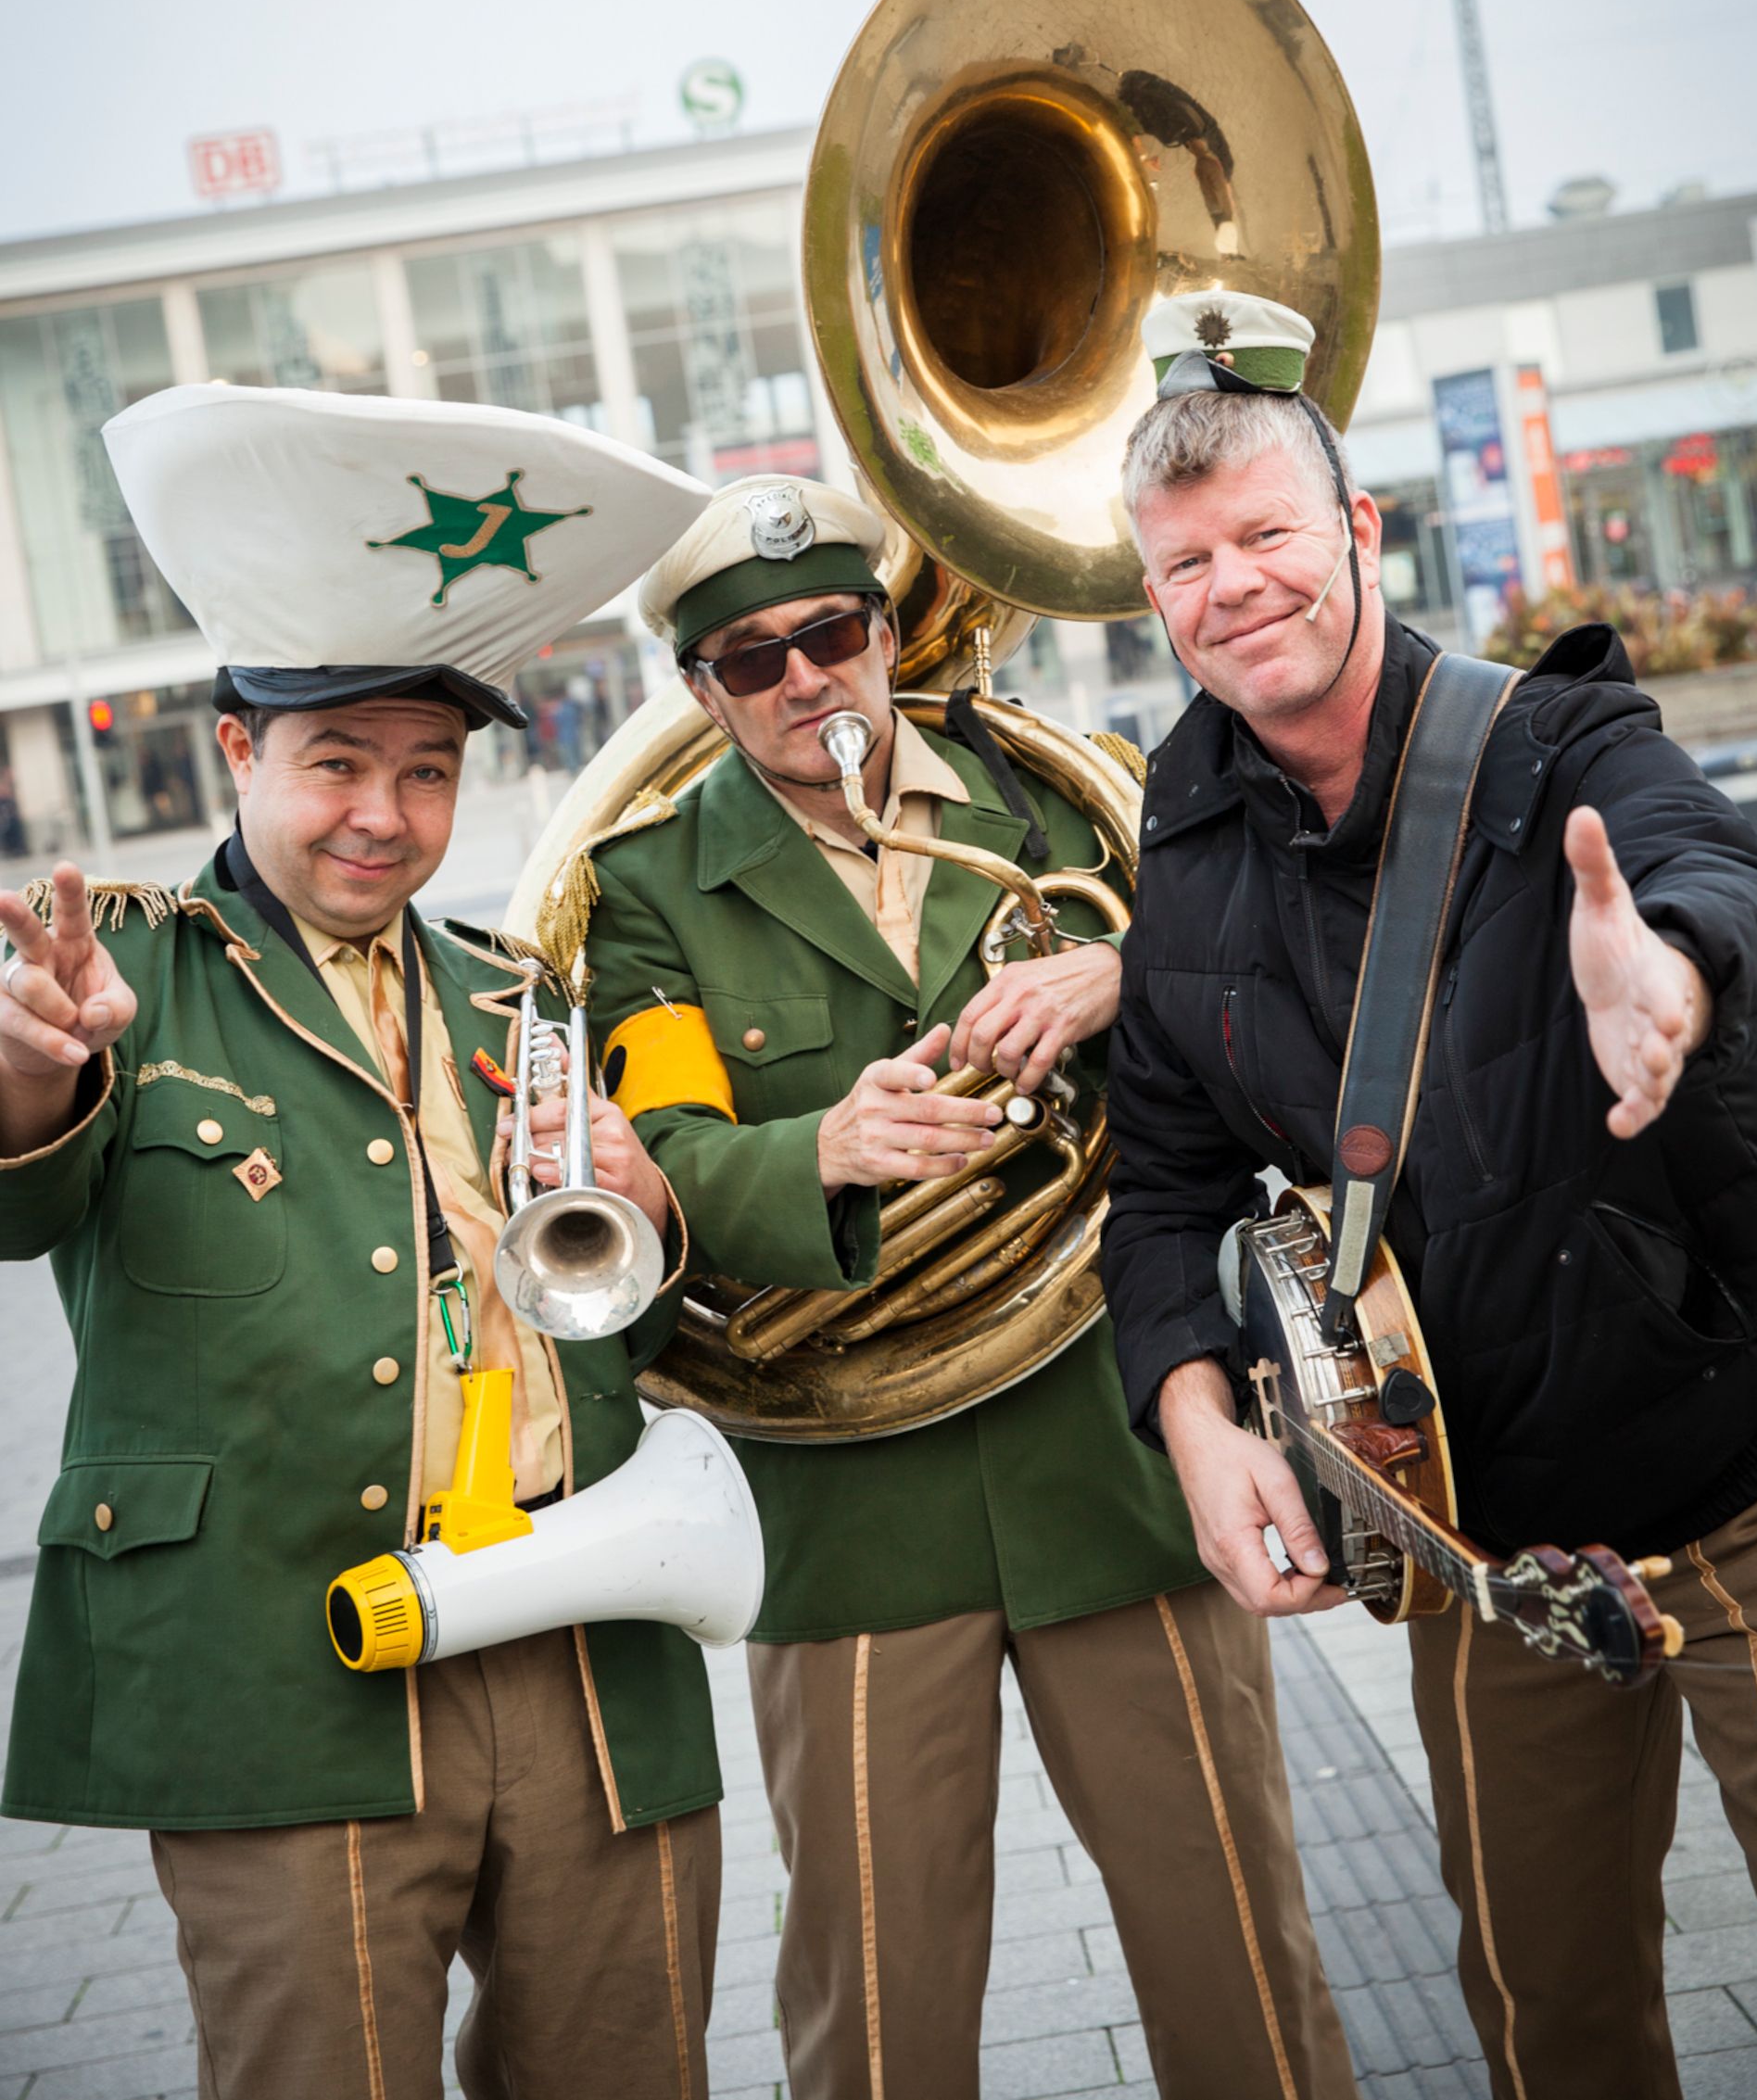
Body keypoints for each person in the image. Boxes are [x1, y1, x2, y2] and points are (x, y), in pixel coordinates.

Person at [579, 474, 1358, 2100]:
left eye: (832, 632)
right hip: (854, 1508)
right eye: (752, 659)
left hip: (1116, 1452)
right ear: (703, 692)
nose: (805, 678)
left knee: (1239, 1950)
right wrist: (821, 1148)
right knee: (877, 2008)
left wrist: (1125, 971)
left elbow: (1256, 991)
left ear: (884, 631)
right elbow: (656, 1156)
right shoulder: (646, 884)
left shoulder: (1057, 802)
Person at [0, 382, 723, 2100]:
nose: (382, 814)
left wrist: (649, 1201)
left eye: (426, 770)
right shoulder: (125, 974)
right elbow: (23, 1194)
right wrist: (30, 1072)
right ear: (237, 752)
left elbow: (622, 1309)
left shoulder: (513, 988)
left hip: (579, 1638)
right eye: (336, 762)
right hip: (280, 1666)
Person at [1100, 292, 1757, 2100]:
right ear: (1152, 595)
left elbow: (1713, 866)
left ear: (1359, 528)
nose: (1234, 586)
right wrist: (1196, 1426)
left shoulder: (1561, 738)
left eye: (1265, 534)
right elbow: (1156, 1190)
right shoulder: (1181, 857)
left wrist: (1673, 972)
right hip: (1495, 1551)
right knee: (1551, 2032)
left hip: (1748, 1472)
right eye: (1187, 562)